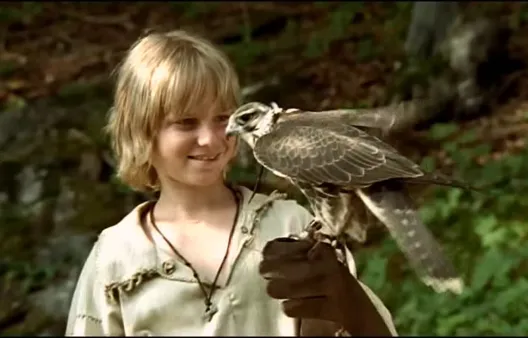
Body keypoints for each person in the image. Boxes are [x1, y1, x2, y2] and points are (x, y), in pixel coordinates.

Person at [65, 29, 398, 336]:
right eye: (186, 123)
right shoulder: (115, 257)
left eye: (223, 118)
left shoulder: (291, 225)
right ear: (142, 132)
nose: (211, 139)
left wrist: (347, 305)